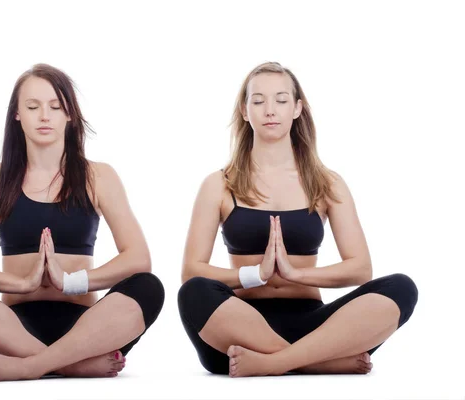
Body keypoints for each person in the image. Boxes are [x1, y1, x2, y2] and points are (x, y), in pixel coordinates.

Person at [177, 61, 418, 377]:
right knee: (193, 292)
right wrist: (256, 274)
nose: (270, 110)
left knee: (401, 288)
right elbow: (191, 271)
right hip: (237, 329)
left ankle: (275, 362)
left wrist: (294, 274)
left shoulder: (327, 183)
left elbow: (360, 268)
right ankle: (316, 363)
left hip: (312, 326)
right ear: (245, 111)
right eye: (258, 101)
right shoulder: (219, 184)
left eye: (281, 100)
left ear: (297, 108)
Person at [0, 63, 164, 382]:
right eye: (33, 106)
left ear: (70, 115)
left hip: (88, 328)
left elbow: (138, 259)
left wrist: (71, 282)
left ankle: (29, 366)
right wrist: (24, 283)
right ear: (17, 114)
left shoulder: (99, 177)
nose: (44, 115)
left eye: (55, 106)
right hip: (10, 327)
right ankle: (71, 366)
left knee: (149, 287)